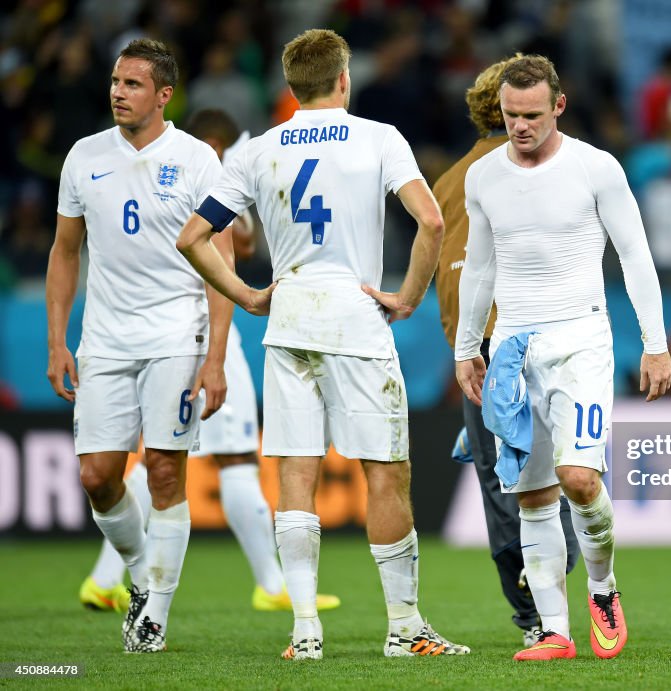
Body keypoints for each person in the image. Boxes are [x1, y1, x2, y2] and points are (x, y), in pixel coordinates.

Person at [176, 28, 470, 661]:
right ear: (344, 80)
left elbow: (194, 236)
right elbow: (433, 220)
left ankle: (305, 631)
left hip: (289, 318)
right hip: (355, 317)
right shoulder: (378, 137)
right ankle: (405, 628)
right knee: (386, 474)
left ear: (290, 87)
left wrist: (249, 294)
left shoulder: (257, 152)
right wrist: (409, 295)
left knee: (295, 474)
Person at [453, 55, 671, 661]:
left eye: (530, 115)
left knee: (579, 480)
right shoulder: (483, 177)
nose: (519, 126)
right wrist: (467, 347)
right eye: (509, 115)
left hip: (581, 340)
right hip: (512, 348)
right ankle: (555, 629)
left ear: (558, 107)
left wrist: (655, 342)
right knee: (531, 496)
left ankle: (601, 588)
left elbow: (634, 254)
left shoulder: (595, 168)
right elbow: (479, 266)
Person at [78, 109, 339, 616]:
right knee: (221, 458)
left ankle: (107, 577)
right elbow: (236, 247)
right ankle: (268, 582)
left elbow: (235, 244)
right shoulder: (200, 174)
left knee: (168, 461)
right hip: (195, 333)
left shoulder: (185, 173)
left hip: (181, 332)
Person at [46, 39, 234, 653]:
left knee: (162, 469)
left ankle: (154, 613)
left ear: (163, 94)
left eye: (132, 84)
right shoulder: (84, 157)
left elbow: (222, 259)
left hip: (175, 335)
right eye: (115, 82)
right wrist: (58, 340)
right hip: (104, 338)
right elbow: (65, 251)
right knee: (97, 475)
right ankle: (138, 575)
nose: (118, 92)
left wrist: (215, 358)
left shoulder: (198, 159)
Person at [433, 56, 581, 649]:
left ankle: (533, 612)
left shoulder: (446, 183)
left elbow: (449, 274)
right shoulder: (542, 170)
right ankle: (558, 588)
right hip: (537, 337)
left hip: (484, 348)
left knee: (506, 490)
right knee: (551, 472)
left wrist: (463, 350)